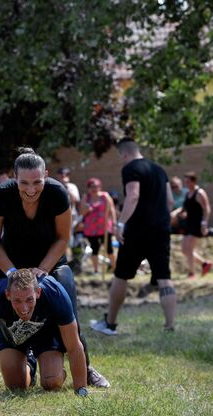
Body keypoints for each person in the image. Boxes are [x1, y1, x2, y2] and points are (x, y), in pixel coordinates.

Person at [0, 147, 108, 388]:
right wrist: (10, 271)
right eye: (24, 183)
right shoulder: (3, 194)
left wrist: (44, 270)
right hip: (9, 261)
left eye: (37, 182)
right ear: (14, 178)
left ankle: (85, 367)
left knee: (70, 310)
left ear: (46, 175)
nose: (31, 189)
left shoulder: (58, 193)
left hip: (50, 262)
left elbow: (62, 239)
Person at [0, 270, 88, 403]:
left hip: (47, 335)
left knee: (52, 383)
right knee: (16, 386)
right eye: (17, 301)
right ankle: (29, 367)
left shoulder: (55, 293)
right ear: (8, 295)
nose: (24, 308)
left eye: (29, 299)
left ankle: (57, 369)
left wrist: (81, 390)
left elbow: (74, 346)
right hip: (12, 337)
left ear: (38, 293)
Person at [90, 138, 176, 335]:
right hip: (161, 229)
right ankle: (170, 326)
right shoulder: (159, 169)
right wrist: (160, 220)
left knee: (122, 275)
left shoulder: (130, 168)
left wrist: (120, 223)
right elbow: (170, 201)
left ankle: (110, 324)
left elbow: (133, 195)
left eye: (120, 157)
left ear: (124, 154)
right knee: (164, 276)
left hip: (137, 231)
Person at [79, 178, 116, 274]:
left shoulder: (105, 196)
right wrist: (86, 209)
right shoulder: (86, 197)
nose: (94, 189)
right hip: (91, 229)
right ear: (88, 188)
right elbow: (82, 213)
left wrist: (114, 224)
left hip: (105, 227)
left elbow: (112, 210)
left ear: (100, 187)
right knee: (94, 248)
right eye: (92, 187)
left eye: (96, 186)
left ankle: (114, 268)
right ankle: (96, 270)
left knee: (109, 249)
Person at [180, 172, 212, 278]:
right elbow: (185, 208)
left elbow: (207, 209)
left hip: (197, 224)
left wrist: (204, 223)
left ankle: (192, 273)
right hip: (188, 223)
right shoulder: (187, 193)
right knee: (184, 249)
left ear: (194, 181)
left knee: (189, 248)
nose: (186, 184)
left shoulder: (200, 193)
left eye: (188, 182)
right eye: (185, 182)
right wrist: (180, 214)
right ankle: (204, 264)